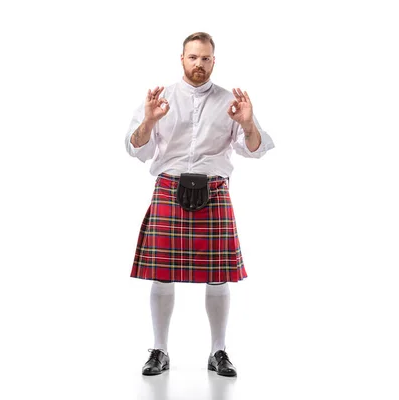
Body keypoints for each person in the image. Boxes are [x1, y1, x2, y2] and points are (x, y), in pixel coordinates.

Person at [125, 32, 275, 377]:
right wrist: (148, 120)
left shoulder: (230, 101)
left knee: (218, 277)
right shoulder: (160, 97)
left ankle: (218, 351)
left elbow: (254, 148)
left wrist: (248, 122)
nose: (199, 64)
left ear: (213, 61)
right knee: (162, 275)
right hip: (168, 187)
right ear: (182, 59)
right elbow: (136, 148)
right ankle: (159, 351)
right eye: (193, 57)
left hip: (215, 190)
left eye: (205, 58)